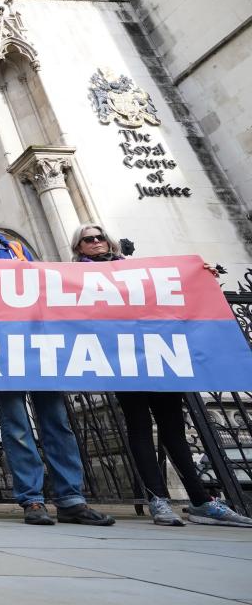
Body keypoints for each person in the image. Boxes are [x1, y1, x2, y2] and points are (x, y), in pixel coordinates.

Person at [71, 223, 252, 528]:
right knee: (139, 428)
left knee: (174, 429)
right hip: (121, 359)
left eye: (100, 237)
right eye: (89, 239)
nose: (97, 242)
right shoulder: (73, 277)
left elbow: (173, 289)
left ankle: (201, 501)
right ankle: (159, 500)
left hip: (159, 355)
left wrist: (200, 276)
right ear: (79, 247)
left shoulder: (137, 272)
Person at [0, 201, 114, 526]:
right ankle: (32, 500)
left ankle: (71, 498)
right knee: (16, 426)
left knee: (57, 422)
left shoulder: (18, 249)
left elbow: (47, 286)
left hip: (37, 344)